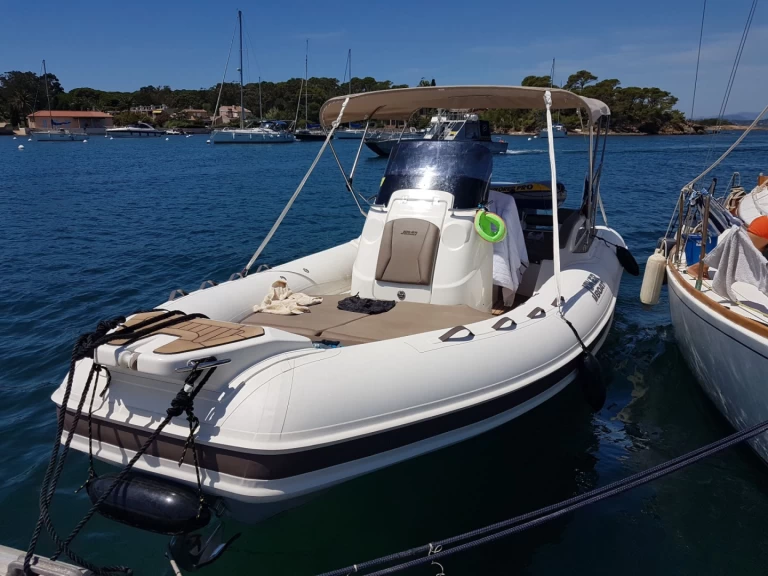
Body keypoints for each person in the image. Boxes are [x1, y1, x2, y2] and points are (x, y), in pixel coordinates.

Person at [687, 215, 768, 278]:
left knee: (744, 254)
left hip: (762, 226)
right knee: (740, 252)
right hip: (763, 228)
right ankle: (699, 267)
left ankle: (701, 266)